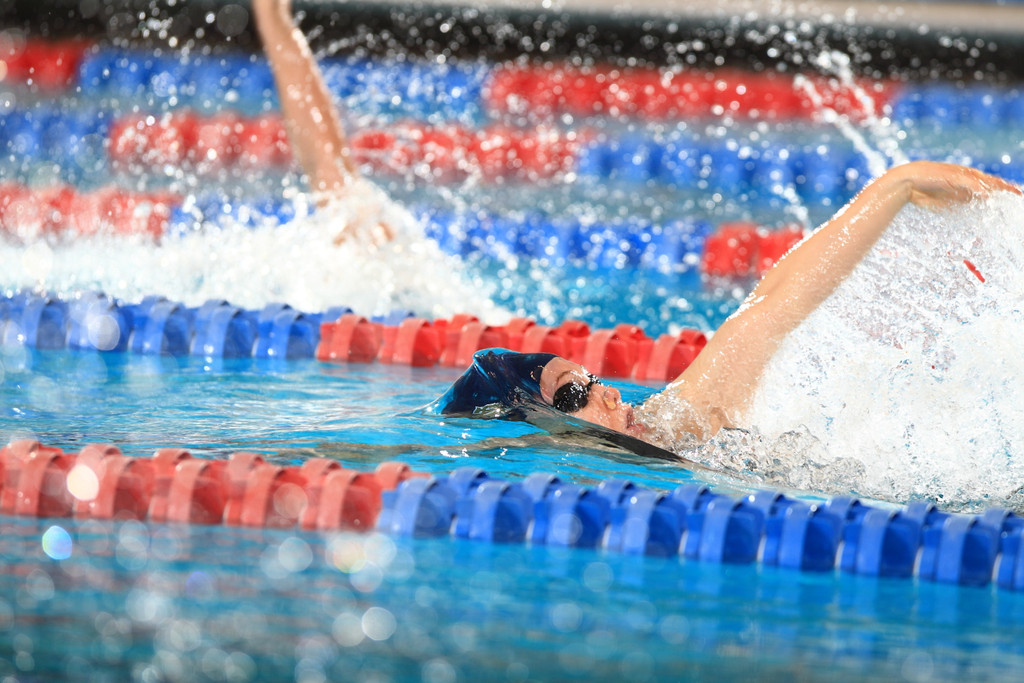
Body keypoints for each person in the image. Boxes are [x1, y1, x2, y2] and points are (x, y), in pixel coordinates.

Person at [253, 0, 1022, 452]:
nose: (612, 387)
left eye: (585, 377)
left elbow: (775, 300)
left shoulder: (680, 416)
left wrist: (901, 185)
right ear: (540, 430)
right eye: (580, 391)